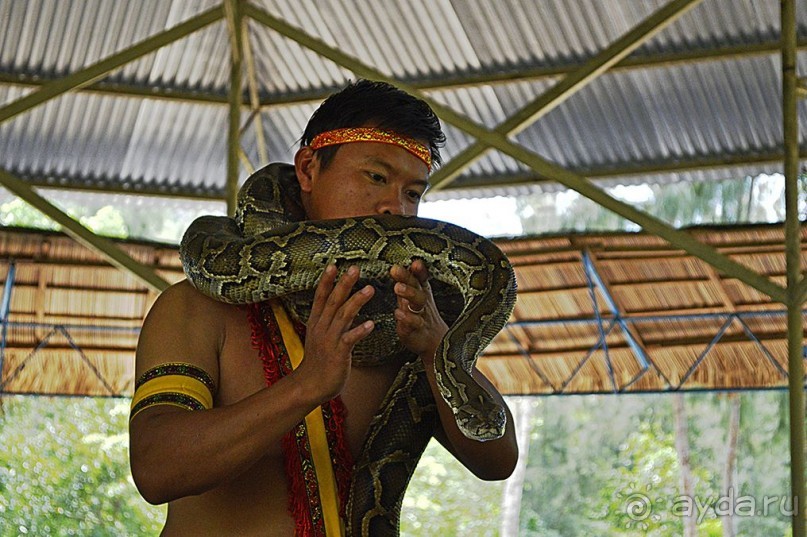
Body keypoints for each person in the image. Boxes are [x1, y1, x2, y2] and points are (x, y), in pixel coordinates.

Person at [129, 79, 518, 536]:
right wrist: (307, 384)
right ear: (308, 170)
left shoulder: (401, 324)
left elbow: (497, 460)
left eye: (413, 193)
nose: (395, 206)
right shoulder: (196, 309)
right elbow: (156, 469)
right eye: (376, 177)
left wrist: (436, 351)